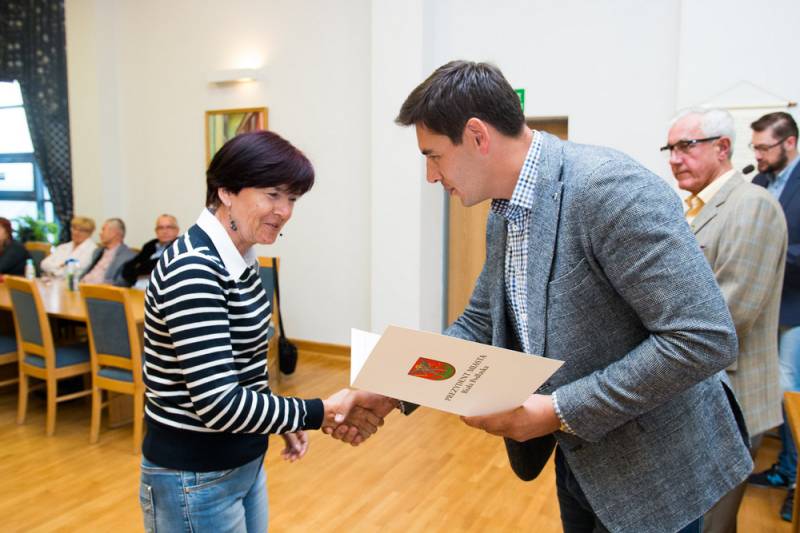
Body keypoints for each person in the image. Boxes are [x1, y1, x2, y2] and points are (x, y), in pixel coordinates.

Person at [369, 60, 751, 533]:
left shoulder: (610, 189)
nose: (431, 175)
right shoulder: (504, 211)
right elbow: (479, 322)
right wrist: (393, 382)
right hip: (581, 461)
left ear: (477, 136)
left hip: (655, 468)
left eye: (434, 156)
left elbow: (703, 338)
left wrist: (557, 410)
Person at [139, 130, 393, 532]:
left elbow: (244, 368)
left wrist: (279, 421)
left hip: (240, 462)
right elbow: (219, 402)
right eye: (272, 194)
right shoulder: (195, 268)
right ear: (226, 191)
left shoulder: (241, 257)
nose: (285, 210)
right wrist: (320, 411)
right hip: (195, 477)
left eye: (292, 199)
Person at [665, 107, 786, 532]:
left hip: (730, 398)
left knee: (710, 525)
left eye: (686, 146)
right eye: (669, 148)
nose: (674, 158)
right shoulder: (696, 208)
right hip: (699, 397)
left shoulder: (752, 206)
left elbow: (729, 318)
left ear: (722, 147)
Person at [747, 111, 800, 521]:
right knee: (773, 389)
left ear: (790, 143)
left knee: (790, 391)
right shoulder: (759, 182)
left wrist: (769, 254)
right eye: (756, 148)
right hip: (766, 304)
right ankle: (784, 470)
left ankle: (795, 481)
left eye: (764, 147)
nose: (758, 156)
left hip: (796, 305)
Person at [121, 214, 179, 289]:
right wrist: (142, 270)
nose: (165, 231)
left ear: (177, 230)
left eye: (169, 227)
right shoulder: (150, 246)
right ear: (156, 231)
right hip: (135, 287)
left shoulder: (179, 247)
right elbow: (127, 268)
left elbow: (158, 267)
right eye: (160, 228)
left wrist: (138, 269)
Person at [80, 218, 136, 286]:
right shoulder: (97, 252)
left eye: (103, 229)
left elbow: (122, 283)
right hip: (81, 286)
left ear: (114, 233)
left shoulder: (128, 257)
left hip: (100, 290)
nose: (100, 233)